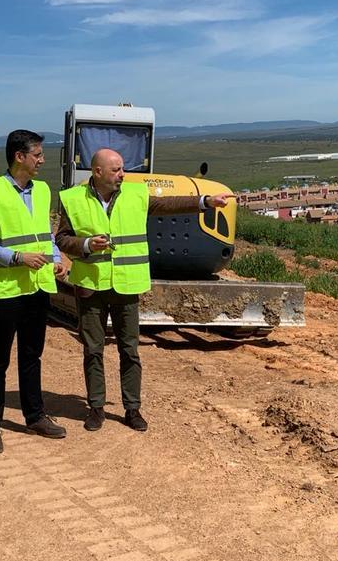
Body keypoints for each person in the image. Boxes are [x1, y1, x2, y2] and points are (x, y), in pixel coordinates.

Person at [55, 148, 231, 432]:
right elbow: (62, 239)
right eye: (115, 170)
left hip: (126, 284)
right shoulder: (72, 199)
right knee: (93, 350)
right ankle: (96, 407)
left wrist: (205, 201)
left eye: (122, 169)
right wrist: (86, 245)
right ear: (97, 172)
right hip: (91, 285)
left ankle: (132, 409)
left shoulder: (136, 194)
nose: (122, 174)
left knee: (130, 350)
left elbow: (168, 204)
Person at [0, 130, 68, 455]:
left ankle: (35, 416)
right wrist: (17, 258)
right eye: (37, 154)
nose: (42, 160)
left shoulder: (42, 190)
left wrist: (55, 258)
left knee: (32, 355)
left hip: (36, 287)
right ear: (19, 157)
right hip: (4, 290)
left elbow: (46, 234)